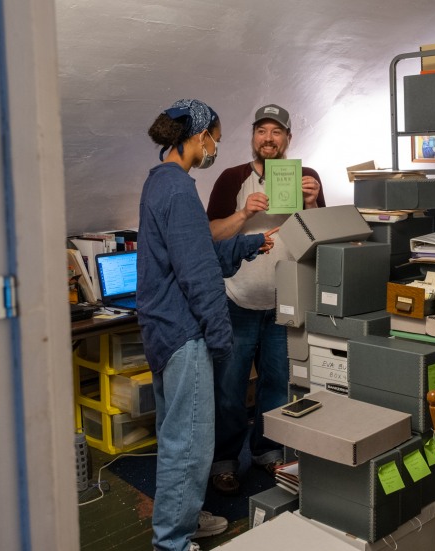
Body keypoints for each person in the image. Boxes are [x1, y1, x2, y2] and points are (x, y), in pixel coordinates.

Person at [139, 99, 277, 551]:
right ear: (198, 137)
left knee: (176, 434)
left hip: (164, 331)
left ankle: (183, 517)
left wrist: (252, 243)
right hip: (184, 334)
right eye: (214, 136)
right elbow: (198, 275)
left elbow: (198, 252)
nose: (215, 145)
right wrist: (220, 339)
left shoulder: (160, 182)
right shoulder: (179, 189)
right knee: (191, 443)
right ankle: (173, 541)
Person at [205, 104, 325, 495]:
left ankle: (267, 451)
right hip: (236, 301)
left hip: (285, 303)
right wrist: (243, 214)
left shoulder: (307, 178)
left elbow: (321, 242)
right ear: (253, 136)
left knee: (277, 384)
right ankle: (224, 460)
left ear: (289, 138)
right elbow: (210, 236)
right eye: (261, 131)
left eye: (277, 131)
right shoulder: (232, 178)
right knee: (229, 388)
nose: (268, 138)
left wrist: (311, 205)